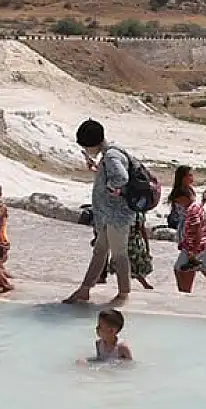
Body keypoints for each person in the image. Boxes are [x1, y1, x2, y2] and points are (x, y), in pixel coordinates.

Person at [63, 120, 135, 306]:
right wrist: (97, 170)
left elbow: (121, 177)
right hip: (109, 215)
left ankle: (123, 293)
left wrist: (110, 187)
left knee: (119, 254)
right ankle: (85, 288)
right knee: (100, 250)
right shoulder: (110, 153)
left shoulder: (111, 156)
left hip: (117, 216)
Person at [172, 170, 206, 297]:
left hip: (194, 246)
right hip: (197, 244)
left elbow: (197, 231)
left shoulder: (192, 210)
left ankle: (184, 294)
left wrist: (192, 251)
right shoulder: (193, 205)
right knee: (203, 269)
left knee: (181, 269)